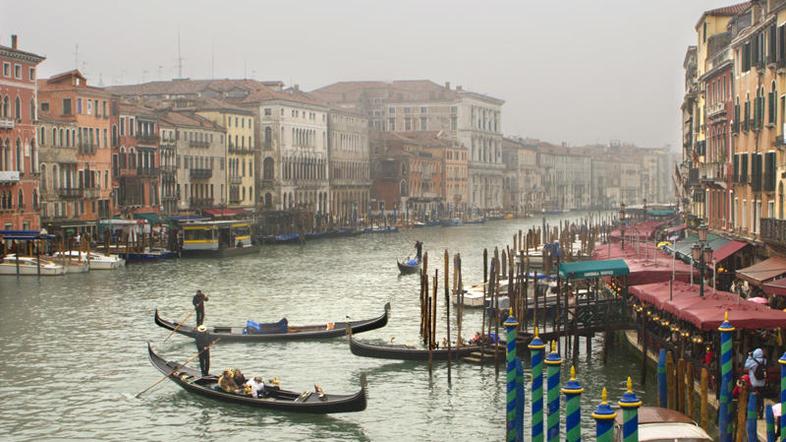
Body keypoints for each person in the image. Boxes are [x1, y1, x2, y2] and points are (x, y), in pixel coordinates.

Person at [745, 347, 767, 417]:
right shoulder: (764, 360)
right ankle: (761, 412)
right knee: (761, 398)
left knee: (753, 398)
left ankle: (753, 412)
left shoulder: (753, 361)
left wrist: (749, 357)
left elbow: (746, 366)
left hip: (754, 383)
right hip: (762, 383)